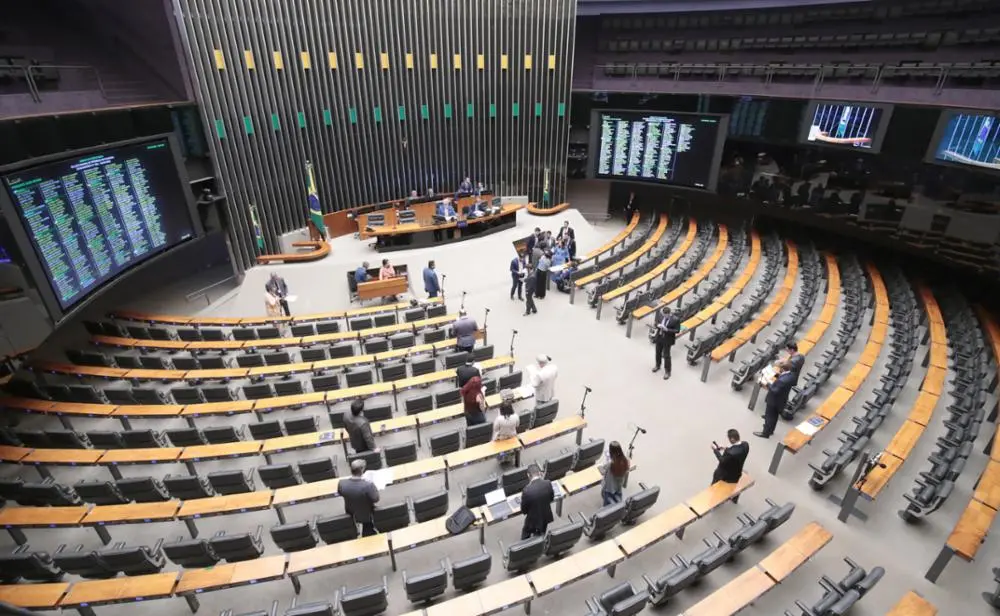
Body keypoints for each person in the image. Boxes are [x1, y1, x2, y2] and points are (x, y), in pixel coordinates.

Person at [338, 459, 380, 536]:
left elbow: (340, 493)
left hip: (351, 513)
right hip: (367, 514)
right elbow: (376, 499)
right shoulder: (368, 485)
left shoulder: (341, 483)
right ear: (362, 470)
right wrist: (373, 486)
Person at [755, 361, 797, 438]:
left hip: (773, 401)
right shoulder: (791, 375)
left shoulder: (782, 380)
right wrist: (778, 376)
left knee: (769, 417)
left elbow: (774, 390)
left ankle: (765, 433)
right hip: (781, 400)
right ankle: (771, 431)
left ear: (782, 369)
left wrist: (767, 384)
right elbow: (781, 382)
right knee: (775, 417)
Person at [520, 464, 555, 539]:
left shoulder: (526, 490)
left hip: (532, 520)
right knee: (541, 533)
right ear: (539, 473)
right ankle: (540, 541)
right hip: (545, 516)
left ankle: (525, 544)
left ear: (528, 475)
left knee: (526, 533)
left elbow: (524, 511)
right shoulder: (548, 483)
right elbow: (551, 498)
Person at [652, 306, 682, 380]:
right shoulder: (660, 315)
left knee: (666, 355)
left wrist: (667, 330)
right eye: (663, 315)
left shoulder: (676, 319)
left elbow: (677, 330)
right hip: (659, 337)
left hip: (667, 339)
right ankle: (657, 365)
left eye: (666, 315)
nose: (664, 316)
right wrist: (657, 325)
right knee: (658, 352)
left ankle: (668, 371)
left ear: (669, 314)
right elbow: (656, 323)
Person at [598, 441, 629, 506]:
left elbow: (602, 472)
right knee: (618, 504)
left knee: (607, 507)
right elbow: (626, 473)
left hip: (609, 489)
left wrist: (599, 466)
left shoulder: (611, 464)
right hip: (618, 488)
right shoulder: (626, 461)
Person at [493, 401, 519, 465]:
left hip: (501, 438)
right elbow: (517, 425)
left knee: (494, 437)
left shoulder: (499, 419)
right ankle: (510, 457)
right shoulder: (516, 416)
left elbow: (495, 429)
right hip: (512, 435)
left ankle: (501, 458)